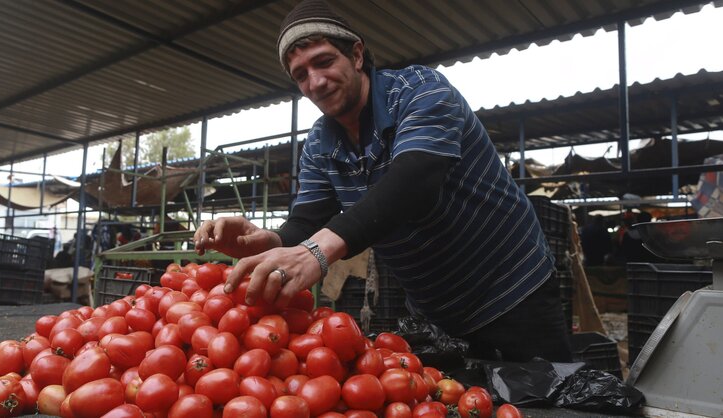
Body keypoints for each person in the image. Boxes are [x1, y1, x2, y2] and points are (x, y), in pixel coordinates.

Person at [193, 0, 571, 362]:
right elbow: (307, 221)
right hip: (436, 311)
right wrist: (266, 240)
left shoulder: (419, 91)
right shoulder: (320, 143)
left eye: (323, 62)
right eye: (301, 75)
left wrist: (319, 251)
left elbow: (414, 181)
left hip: (514, 292)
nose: (316, 82)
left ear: (357, 54)